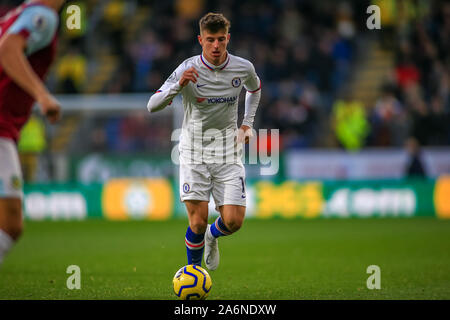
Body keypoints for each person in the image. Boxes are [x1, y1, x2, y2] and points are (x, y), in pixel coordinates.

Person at [147, 12, 261, 271]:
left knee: (233, 221)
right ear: (200, 40)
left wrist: (246, 124)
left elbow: (255, 88)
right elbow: (152, 105)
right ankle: (193, 273)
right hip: (194, 152)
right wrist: (178, 86)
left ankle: (212, 236)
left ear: (228, 38)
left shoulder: (243, 67)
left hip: (227, 153)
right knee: (196, 222)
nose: (216, 46)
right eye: (210, 40)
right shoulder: (187, 69)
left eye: (221, 39)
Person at [0, 0, 64, 266]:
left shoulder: (17, 14)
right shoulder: (43, 16)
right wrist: (42, 95)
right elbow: (8, 49)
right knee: (11, 223)